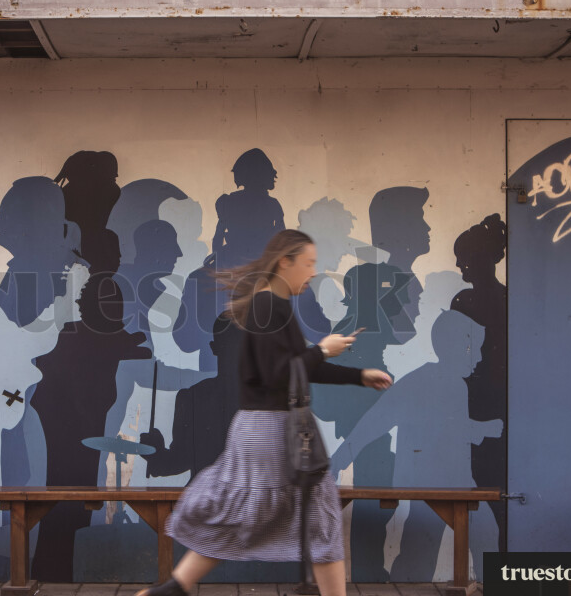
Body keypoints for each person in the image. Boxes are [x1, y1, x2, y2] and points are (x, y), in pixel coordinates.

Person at [138, 229, 391, 596]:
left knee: (236, 515)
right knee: (319, 518)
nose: (312, 272)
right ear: (284, 261)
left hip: (259, 428)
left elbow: (295, 368)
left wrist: (359, 376)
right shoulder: (270, 306)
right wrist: (322, 349)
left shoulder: (269, 304)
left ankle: (173, 589)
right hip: (277, 430)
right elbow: (280, 373)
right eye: (307, 263)